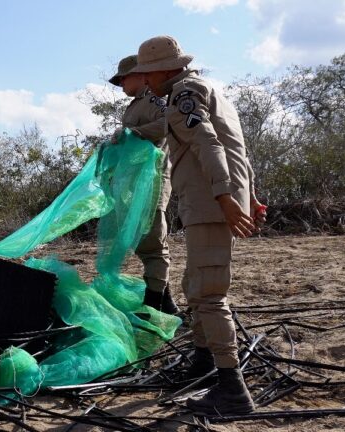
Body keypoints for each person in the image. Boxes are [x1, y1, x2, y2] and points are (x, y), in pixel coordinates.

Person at [130, 35, 267, 415]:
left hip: (209, 202)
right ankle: (205, 366)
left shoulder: (183, 94)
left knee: (208, 295)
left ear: (164, 70)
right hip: (215, 199)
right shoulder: (209, 88)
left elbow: (209, 143)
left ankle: (233, 390)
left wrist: (225, 196)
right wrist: (248, 195)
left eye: (147, 73)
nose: (145, 81)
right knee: (195, 285)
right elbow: (236, 146)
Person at [107, 54, 179, 315]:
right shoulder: (137, 103)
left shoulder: (153, 100)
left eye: (124, 78)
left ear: (141, 75)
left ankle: (153, 305)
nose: (121, 84)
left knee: (153, 244)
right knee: (144, 242)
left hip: (152, 181)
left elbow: (169, 123)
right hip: (138, 183)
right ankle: (167, 303)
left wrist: (135, 133)